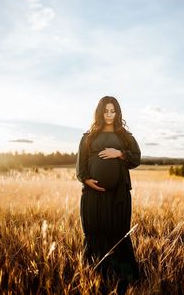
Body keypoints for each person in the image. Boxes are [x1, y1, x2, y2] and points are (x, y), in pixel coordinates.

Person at [76, 96, 141, 292]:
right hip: (93, 195)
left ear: (118, 113)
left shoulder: (125, 137)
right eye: (106, 111)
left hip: (118, 195)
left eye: (113, 111)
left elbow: (136, 158)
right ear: (100, 112)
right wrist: (87, 180)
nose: (110, 115)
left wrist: (119, 153)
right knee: (95, 232)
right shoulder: (88, 137)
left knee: (118, 233)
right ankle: (96, 276)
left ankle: (124, 278)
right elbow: (81, 165)